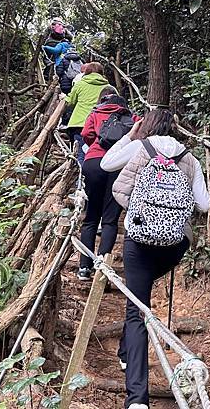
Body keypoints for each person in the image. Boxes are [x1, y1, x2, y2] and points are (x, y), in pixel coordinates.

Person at [100, 109, 210, 409]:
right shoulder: (190, 159)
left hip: (139, 244)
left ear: (146, 126)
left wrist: (141, 211)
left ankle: (137, 399)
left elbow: (111, 175)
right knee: (141, 296)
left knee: (136, 310)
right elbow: (203, 204)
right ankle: (126, 352)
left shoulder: (142, 147)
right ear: (175, 129)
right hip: (174, 246)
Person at [77, 90, 136, 280]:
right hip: (119, 166)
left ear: (103, 101)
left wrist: (97, 142)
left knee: (91, 217)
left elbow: (86, 134)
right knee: (110, 220)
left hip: (94, 161)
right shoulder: (132, 116)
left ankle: (84, 267)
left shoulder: (95, 113)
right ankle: (101, 265)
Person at [64, 62, 110, 165]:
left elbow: (70, 102)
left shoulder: (80, 84)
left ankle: (81, 178)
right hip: (100, 124)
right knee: (98, 153)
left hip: (79, 123)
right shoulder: (108, 87)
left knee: (81, 152)